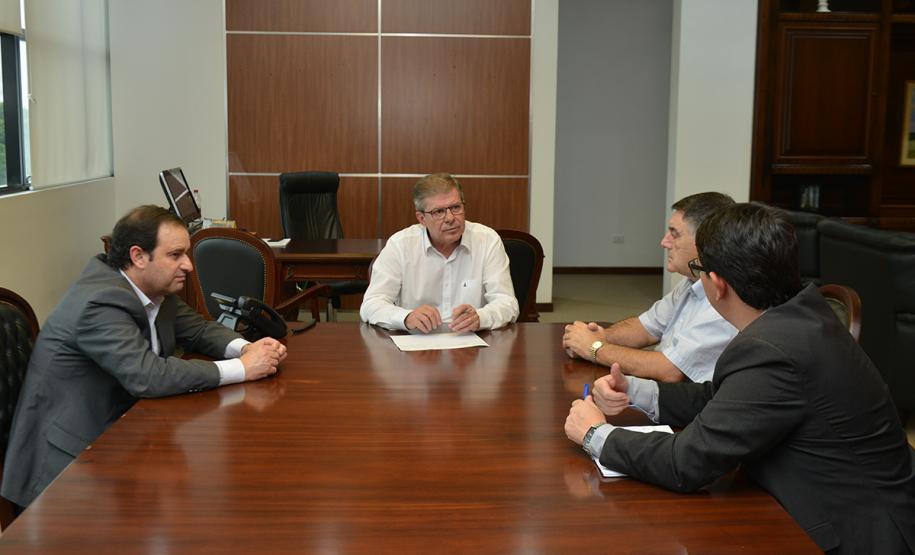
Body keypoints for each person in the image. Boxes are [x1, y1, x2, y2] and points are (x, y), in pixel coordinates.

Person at [564, 203, 915, 554]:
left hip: (851, 533)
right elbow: (725, 400)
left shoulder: (772, 348)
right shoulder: (800, 314)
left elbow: (686, 464)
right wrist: (638, 392)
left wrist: (597, 434)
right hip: (812, 499)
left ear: (717, 285)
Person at [2, 205, 287, 509]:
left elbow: (199, 329)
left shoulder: (150, 288)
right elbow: (147, 376)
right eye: (175, 255)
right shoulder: (99, 303)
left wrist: (245, 348)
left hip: (123, 436)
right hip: (69, 468)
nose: (188, 265)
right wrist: (242, 369)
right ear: (138, 256)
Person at [562, 192, 737, 383]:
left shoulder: (725, 301)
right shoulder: (692, 280)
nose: (664, 242)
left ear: (705, 241)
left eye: (674, 234)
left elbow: (670, 370)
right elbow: (646, 327)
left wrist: (594, 348)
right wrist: (598, 336)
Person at [360, 173, 519, 333]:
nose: (450, 218)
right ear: (421, 218)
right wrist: (406, 317)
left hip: (472, 347)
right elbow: (371, 304)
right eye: (439, 212)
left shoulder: (487, 240)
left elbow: (507, 303)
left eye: (456, 207)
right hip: (416, 349)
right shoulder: (401, 245)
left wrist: (481, 317)